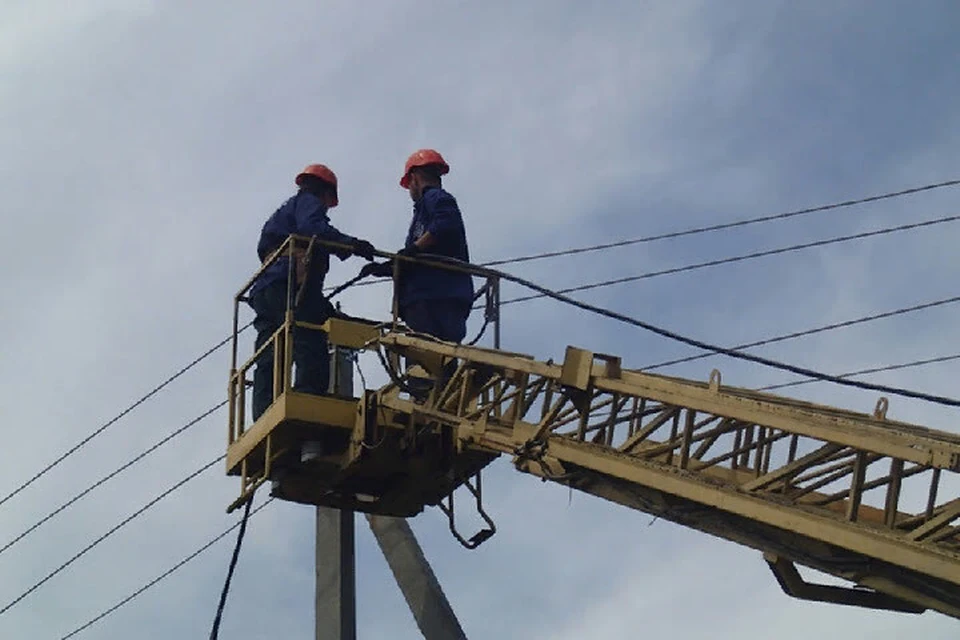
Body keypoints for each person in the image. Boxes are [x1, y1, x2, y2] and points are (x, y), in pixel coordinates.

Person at [249, 163, 376, 421]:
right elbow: (313, 228)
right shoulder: (308, 202)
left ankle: (262, 413)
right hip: (289, 283)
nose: (328, 207)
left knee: (270, 350)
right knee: (311, 337)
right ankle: (309, 395)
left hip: (266, 287)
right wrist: (351, 245)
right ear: (325, 192)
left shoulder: (284, 211)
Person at [362, 149, 474, 343]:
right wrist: (386, 268)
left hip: (434, 296)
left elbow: (444, 225)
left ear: (413, 178)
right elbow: (413, 259)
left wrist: (414, 249)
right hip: (437, 295)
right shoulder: (423, 213)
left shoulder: (436, 198)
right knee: (439, 363)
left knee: (424, 362)